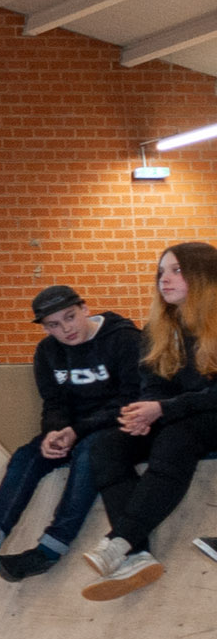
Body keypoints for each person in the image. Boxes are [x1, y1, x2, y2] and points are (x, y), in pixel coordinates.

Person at [0, 284, 141, 581]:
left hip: (121, 428)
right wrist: (53, 432)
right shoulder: (48, 352)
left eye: (70, 317)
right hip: (74, 430)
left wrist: (77, 431)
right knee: (28, 454)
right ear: (45, 328)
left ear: (85, 309)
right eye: (54, 325)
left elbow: (132, 399)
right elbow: (54, 402)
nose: (66, 329)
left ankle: (49, 550)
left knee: (89, 453)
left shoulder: (124, 340)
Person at [81, 242, 217, 600]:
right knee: (108, 445)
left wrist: (164, 411)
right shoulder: (159, 328)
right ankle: (137, 555)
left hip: (207, 417)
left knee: (177, 437)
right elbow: (154, 384)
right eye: (161, 272)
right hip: (177, 414)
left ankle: (120, 539)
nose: (164, 280)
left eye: (176, 271)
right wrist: (144, 413)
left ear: (203, 277)